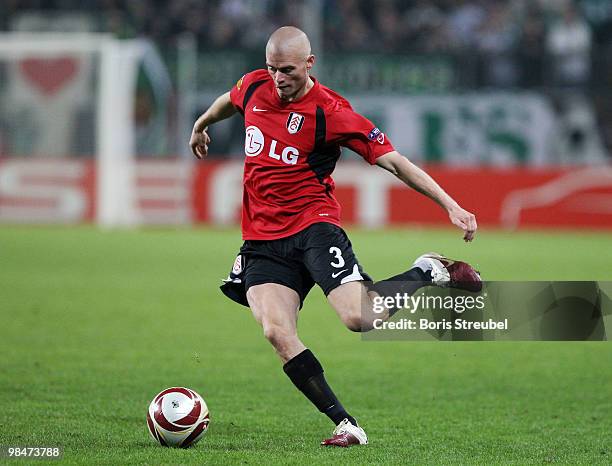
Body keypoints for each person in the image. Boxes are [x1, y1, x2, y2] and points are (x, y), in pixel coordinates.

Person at [189, 26, 481, 447]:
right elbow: (227, 102)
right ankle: (347, 424)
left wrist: (450, 205)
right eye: (272, 68)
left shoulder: (332, 112)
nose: (278, 78)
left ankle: (428, 268)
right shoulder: (253, 85)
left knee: (359, 318)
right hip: (262, 239)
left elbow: (395, 163)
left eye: (287, 70)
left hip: (313, 226)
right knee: (276, 331)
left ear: (309, 64)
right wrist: (201, 125)